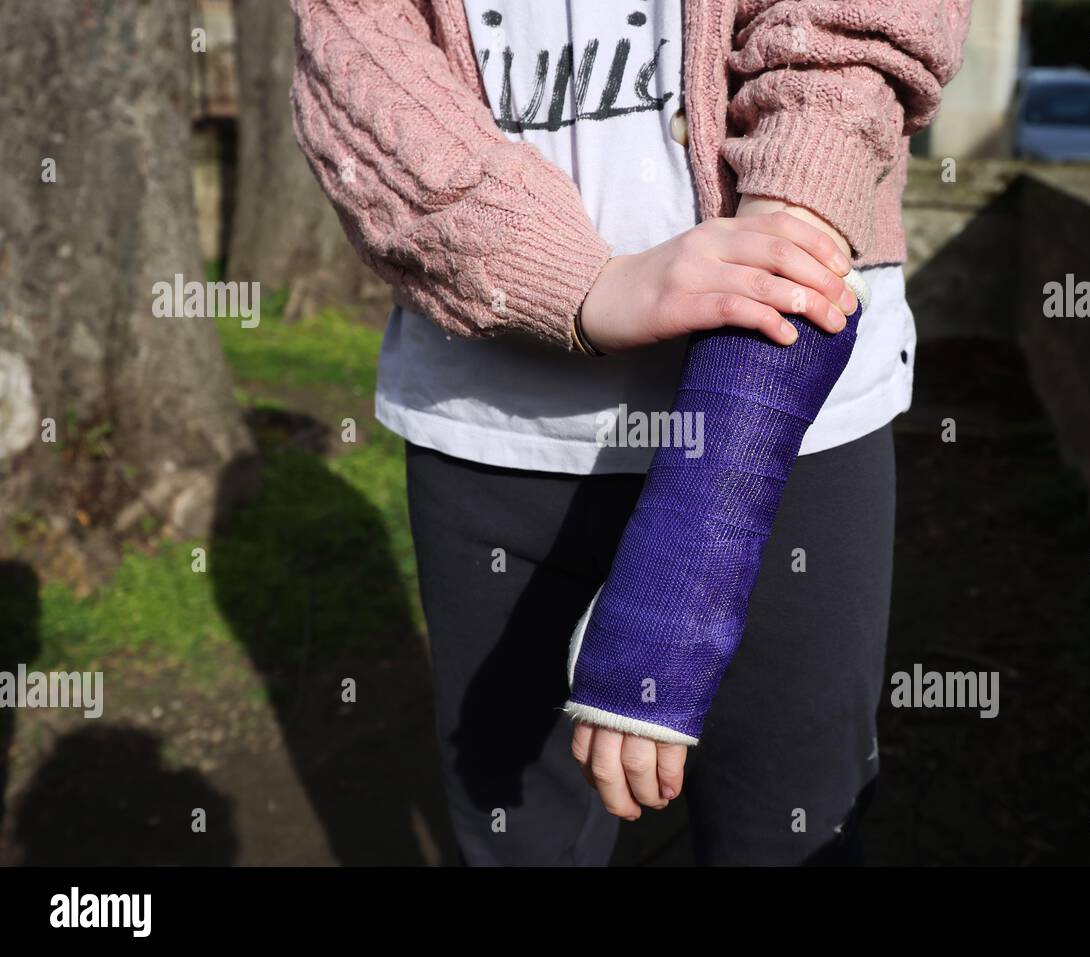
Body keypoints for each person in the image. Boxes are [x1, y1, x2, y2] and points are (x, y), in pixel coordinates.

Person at [289, 0, 971, 865]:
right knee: (520, 834)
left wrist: (794, 215)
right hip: (497, 423)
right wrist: (580, 285)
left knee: (791, 832)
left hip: (786, 414)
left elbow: (855, 38)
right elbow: (354, 45)